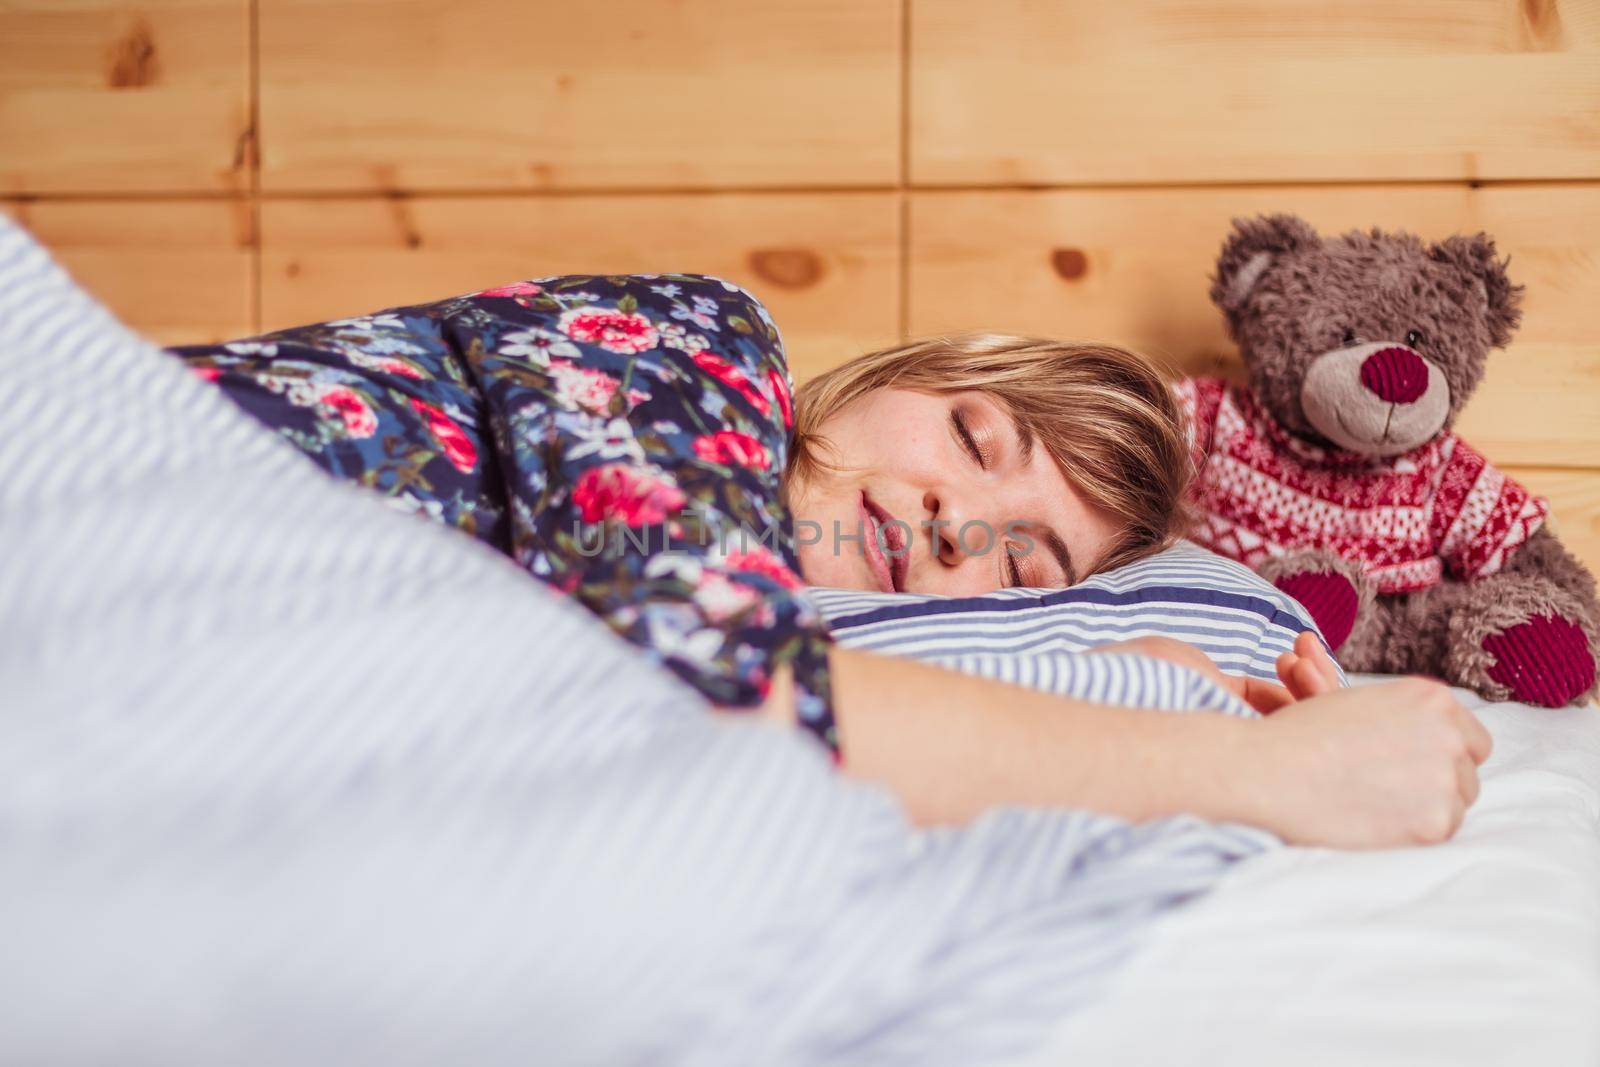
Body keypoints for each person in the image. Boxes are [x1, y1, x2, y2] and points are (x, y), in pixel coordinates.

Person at [172, 274, 1490, 849]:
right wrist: (1252, 771)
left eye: (1024, 571)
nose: (950, 522)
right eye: (973, 435)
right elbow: (713, 692)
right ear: (895, 375)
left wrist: (1128, 668)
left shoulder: (808, 601)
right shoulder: (692, 337)